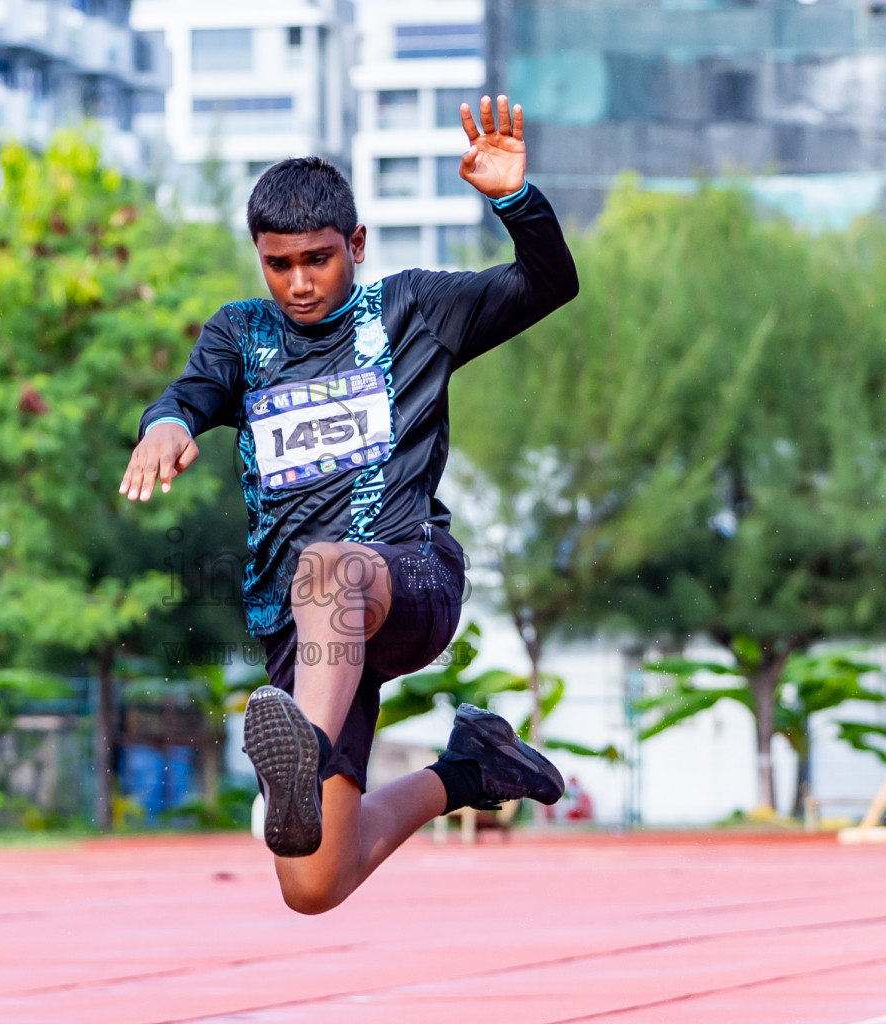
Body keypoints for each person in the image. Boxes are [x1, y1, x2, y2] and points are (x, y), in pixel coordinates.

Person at [120, 95, 579, 914]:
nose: (299, 283)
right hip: (307, 635)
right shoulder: (242, 336)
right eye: (279, 263)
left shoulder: (415, 311)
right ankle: (470, 770)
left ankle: (306, 751)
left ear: (356, 245)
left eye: (319, 260)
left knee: (329, 566)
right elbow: (191, 393)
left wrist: (514, 199)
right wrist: (164, 424)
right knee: (312, 882)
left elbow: (550, 284)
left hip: (407, 579)